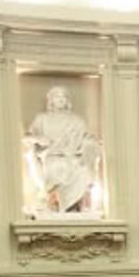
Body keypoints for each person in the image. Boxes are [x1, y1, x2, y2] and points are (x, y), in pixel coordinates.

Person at [24, 85, 102, 216]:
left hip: (74, 157)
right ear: (51, 101)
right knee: (57, 167)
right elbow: (27, 137)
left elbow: (87, 138)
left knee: (82, 170)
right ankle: (55, 205)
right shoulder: (42, 118)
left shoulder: (77, 121)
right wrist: (39, 138)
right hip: (52, 156)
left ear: (67, 101)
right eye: (57, 96)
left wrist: (91, 143)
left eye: (64, 97)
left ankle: (75, 207)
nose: (61, 99)